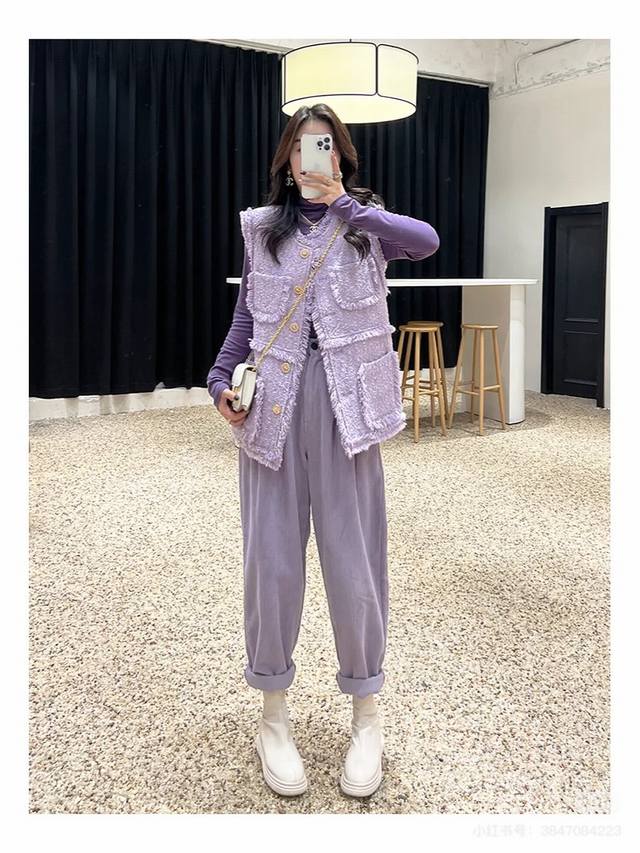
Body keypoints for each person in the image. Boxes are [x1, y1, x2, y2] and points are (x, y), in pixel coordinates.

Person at [207, 104, 440, 798]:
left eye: (329, 146)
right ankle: (272, 714)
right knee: (271, 564)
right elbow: (248, 318)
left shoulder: (368, 223)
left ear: (342, 156)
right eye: (307, 146)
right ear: (287, 158)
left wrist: (346, 205)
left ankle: (366, 714)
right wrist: (219, 379)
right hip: (272, 412)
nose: (318, 156)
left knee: (355, 562)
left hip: (350, 411)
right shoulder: (260, 229)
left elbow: (427, 241)